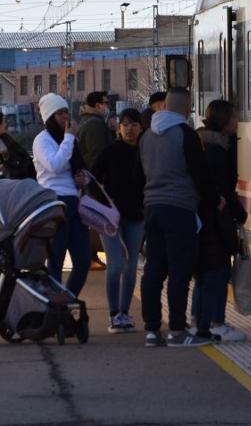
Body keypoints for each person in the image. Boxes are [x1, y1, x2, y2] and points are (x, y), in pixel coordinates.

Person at [139, 88, 215, 347]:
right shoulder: (186, 135)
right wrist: (214, 201)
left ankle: (151, 331)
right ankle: (177, 331)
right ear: (186, 108)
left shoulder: (146, 136)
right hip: (180, 208)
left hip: (151, 207)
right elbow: (200, 174)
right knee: (179, 271)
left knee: (153, 270)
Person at [192, 100, 248, 343]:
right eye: (234, 119)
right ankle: (215, 322)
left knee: (205, 271)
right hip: (216, 217)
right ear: (225, 120)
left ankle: (198, 320)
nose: (237, 123)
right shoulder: (218, 150)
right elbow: (223, 186)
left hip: (204, 216)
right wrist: (239, 212)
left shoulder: (202, 144)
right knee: (218, 269)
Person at [91, 108, 147, 334]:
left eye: (134, 124)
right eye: (125, 124)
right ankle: (114, 314)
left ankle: (125, 313)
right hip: (111, 217)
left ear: (141, 128)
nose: (130, 129)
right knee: (115, 265)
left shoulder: (146, 152)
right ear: (118, 128)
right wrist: (104, 199)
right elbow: (92, 178)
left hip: (137, 216)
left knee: (131, 266)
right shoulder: (110, 152)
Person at [33, 92, 93, 297]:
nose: (66, 117)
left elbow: (82, 168)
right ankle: (53, 306)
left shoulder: (70, 140)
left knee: (83, 260)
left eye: (67, 111)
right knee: (56, 259)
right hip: (54, 203)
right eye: (60, 113)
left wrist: (83, 178)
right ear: (50, 116)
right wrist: (68, 138)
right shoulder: (42, 140)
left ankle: (67, 299)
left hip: (74, 203)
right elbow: (55, 165)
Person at [77, 91, 115, 272]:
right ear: (98, 105)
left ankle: (91, 256)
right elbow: (98, 155)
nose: (108, 106)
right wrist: (100, 182)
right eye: (105, 103)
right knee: (95, 219)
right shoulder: (95, 126)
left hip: (89, 182)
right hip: (95, 183)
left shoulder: (89, 122)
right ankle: (91, 257)